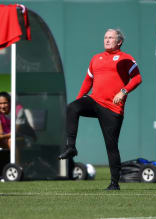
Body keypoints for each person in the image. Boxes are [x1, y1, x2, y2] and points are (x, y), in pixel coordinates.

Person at [57, 29, 142, 190]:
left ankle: (114, 183)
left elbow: (137, 78)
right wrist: (80, 98)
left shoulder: (126, 58)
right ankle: (71, 147)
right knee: (72, 108)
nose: (107, 40)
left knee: (111, 146)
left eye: (111, 37)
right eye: (105, 37)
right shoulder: (96, 58)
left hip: (113, 108)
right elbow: (88, 81)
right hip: (95, 101)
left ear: (119, 42)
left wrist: (123, 91)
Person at [0, 92, 26, 182]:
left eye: (5, 103)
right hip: (5, 137)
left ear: (10, 103)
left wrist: (1, 137)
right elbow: (0, 131)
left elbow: (16, 133)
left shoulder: (18, 110)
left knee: (11, 141)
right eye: (0, 103)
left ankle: (17, 169)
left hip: (22, 137)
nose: (3, 106)